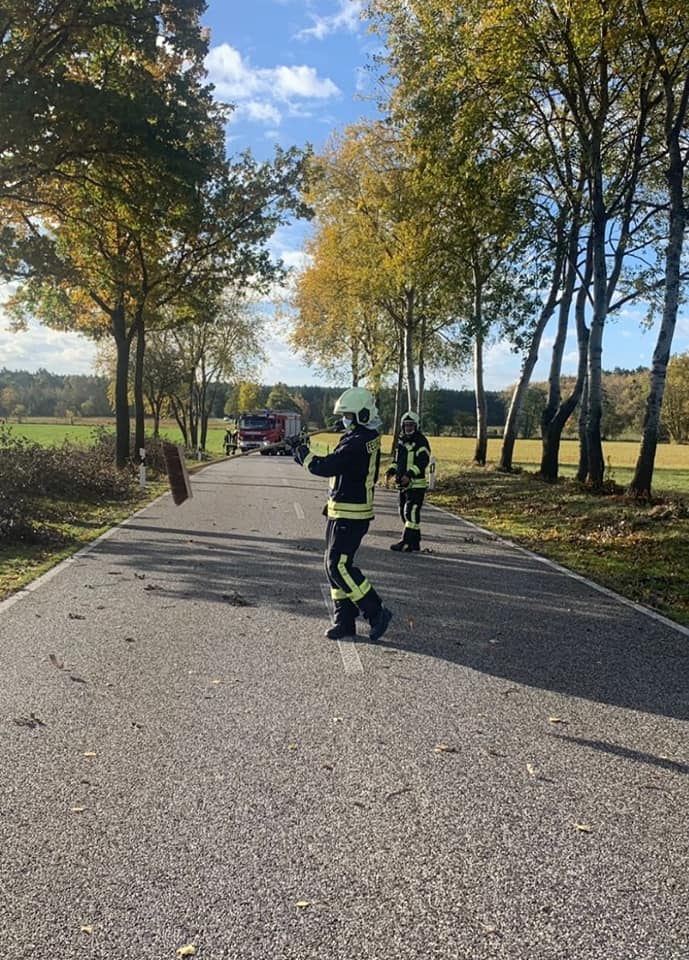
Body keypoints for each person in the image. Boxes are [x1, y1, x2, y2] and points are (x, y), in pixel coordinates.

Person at [293, 387, 392, 642]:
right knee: (332, 567)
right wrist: (343, 429)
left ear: (362, 415)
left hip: (352, 513)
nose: (344, 420)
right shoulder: (361, 436)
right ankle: (344, 620)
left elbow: (327, 466)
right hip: (342, 511)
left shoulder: (356, 442)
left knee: (338, 566)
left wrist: (303, 454)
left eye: (348, 415)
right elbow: (341, 462)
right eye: (343, 416)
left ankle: (375, 611)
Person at [385, 411, 431, 553]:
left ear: (416, 426)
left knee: (411, 512)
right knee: (403, 512)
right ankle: (415, 543)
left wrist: (409, 475)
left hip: (416, 485)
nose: (408, 428)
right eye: (406, 425)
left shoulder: (421, 441)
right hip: (403, 485)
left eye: (411, 425)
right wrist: (391, 471)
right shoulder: (401, 441)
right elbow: (397, 460)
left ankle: (406, 542)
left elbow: (423, 461)